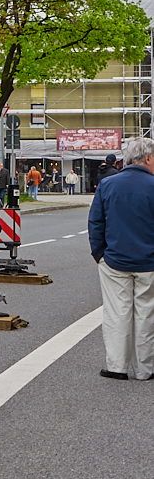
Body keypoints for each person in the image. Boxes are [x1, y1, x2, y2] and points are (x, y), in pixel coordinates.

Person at [88, 137, 154, 380]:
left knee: (117, 312)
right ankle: (146, 369)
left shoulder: (107, 185)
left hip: (114, 260)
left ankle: (116, 367)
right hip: (149, 263)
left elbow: (96, 221)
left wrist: (99, 254)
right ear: (147, 158)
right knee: (146, 313)